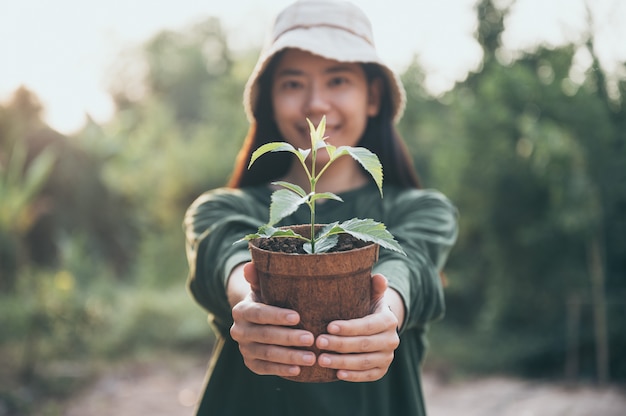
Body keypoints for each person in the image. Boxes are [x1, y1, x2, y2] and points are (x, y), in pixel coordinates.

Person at [184, 0, 458, 414]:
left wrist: (387, 311)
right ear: (269, 101)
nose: (316, 104)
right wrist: (250, 306)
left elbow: (410, 263)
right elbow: (226, 253)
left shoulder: (422, 210)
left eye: (338, 80)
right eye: (293, 84)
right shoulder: (223, 208)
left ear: (373, 96)